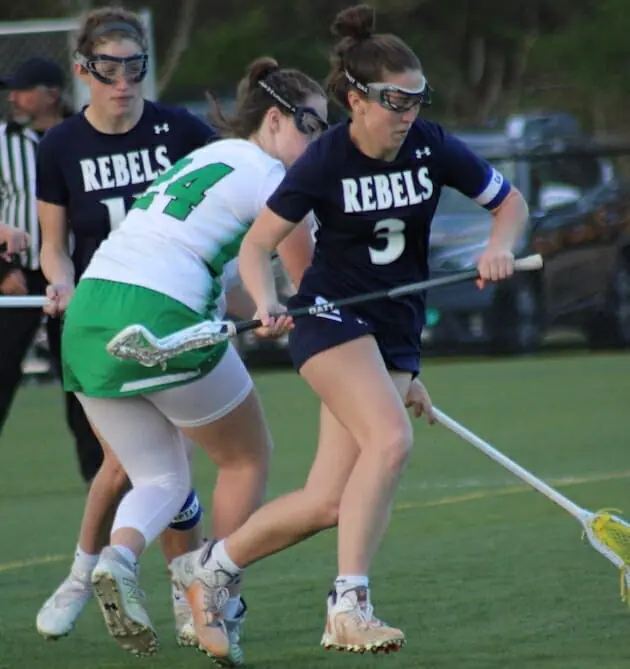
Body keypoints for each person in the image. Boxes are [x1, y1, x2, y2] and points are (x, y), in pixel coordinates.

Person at [170, 2, 530, 659]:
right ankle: (348, 605)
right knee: (390, 441)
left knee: (328, 501)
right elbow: (257, 246)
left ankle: (209, 568)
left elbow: (509, 203)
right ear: (356, 99)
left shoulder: (432, 145)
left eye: (417, 99)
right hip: (331, 316)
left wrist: (498, 246)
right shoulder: (325, 160)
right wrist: (267, 299)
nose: (408, 112)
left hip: (395, 328)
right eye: (395, 100)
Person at [56, 56, 327, 661]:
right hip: (161, 313)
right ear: (275, 119)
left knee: (162, 476)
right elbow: (311, 283)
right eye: (312, 127)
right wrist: (292, 307)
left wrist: (266, 308)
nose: (318, 144)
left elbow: (225, 280)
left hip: (90, 314)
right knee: (246, 457)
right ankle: (214, 594)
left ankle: (118, 558)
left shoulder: (207, 158)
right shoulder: (275, 179)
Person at [34, 6, 217, 648]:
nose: (123, 82)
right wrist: (61, 281)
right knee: (126, 465)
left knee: (165, 463)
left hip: (172, 319)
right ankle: (95, 578)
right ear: (83, 70)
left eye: (134, 67)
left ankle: (150, 589)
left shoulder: (180, 131)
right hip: (99, 326)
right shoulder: (60, 146)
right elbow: (53, 246)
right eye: (108, 69)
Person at [0, 57, 69, 435]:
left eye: (24, 91)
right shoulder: (2, 142)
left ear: (52, 94)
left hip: (74, 273)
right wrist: (3, 270)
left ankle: (98, 464)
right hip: (17, 275)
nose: (14, 98)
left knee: (79, 375)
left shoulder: (80, 137)